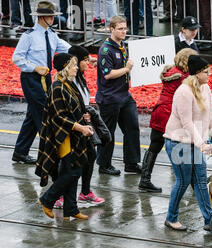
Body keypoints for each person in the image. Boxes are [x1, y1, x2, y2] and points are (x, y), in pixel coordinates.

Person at [163, 55, 212, 231]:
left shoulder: (205, 88)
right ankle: (171, 218)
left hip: (194, 143)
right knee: (183, 181)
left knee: (200, 180)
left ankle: (209, 220)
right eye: (206, 72)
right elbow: (187, 122)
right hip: (179, 142)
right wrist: (201, 143)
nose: (209, 74)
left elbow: (210, 114)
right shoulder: (183, 92)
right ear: (197, 73)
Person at [35, 53, 95, 220]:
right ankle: (47, 199)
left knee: (73, 169)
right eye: (73, 65)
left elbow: (74, 109)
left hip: (72, 135)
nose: (77, 67)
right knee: (73, 172)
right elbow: (59, 117)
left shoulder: (67, 85)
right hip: (63, 137)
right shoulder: (57, 87)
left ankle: (71, 209)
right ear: (65, 67)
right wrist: (80, 127)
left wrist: (84, 118)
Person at [11, 1, 71, 165]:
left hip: (46, 78)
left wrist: (83, 56)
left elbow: (66, 48)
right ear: (42, 17)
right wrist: (34, 68)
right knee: (45, 115)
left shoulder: (51, 34)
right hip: (32, 79)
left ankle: (20, 152)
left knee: (33, 116)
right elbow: (17, 58)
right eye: (51, 16)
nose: (53, 19)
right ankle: (50, 155)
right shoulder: (28, 36)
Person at [52, 45, 109, 209]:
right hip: (72, 126)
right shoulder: (65, 82)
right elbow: (62, 109)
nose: (85, 63)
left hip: (83, 123)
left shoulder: (79, 77)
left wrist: (88, 114)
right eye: (83, 60)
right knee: (68, 161)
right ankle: (59, 195)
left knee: (90, 156)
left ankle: (85, 192)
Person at [139, 48, 198, 192]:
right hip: (170, 114)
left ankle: (145, 180)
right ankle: (191, 182)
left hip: (159, 111)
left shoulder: (171, 71)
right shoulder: (184, 77)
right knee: (183, 147)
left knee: (155, 145)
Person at [95, 15, 141, 176]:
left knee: (132, 128)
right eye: (120, 29)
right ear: (111, 29)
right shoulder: (106, 49)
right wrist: (127, 69)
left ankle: (132, 162)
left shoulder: (124, 46)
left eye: (125, 28)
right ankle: (104, 164)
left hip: (124, 94)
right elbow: (108, 74)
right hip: (109, 97)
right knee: (108, 132)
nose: (123, 31)